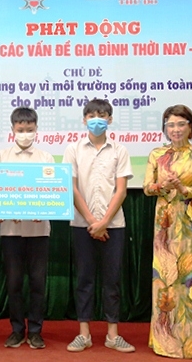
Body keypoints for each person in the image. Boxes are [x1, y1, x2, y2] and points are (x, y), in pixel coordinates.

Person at [142, 104, 192, 359]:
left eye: (180, 124)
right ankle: (166, 342)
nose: (175, 129)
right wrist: (162, 185)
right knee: (166, 279)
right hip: (165, 224)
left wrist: (185, 190)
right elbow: (147, 188)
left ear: (190, 127)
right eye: (171, 125)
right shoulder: (156, 154)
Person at [62, 98, 135, 353]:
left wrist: (104, 222)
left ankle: (113, 335)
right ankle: (84, 334)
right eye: (91, 115)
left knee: (112, 280)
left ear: (110, 119)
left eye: (102, 115)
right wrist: (93, 222)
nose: (97, 120)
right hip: (82, 224)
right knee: (84, 278)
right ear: (84, 119)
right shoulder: (73, 149)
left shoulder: (120, 150)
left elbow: (121, 190)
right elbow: (71, 188)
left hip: (114, 225)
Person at [0, 107, 54, 350]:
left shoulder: (46, 158)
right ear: (12, 130)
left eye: (29, 129)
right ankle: (16, 330)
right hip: (10, 231)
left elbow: (52, 193)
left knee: (38, 283)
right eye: (20, 129)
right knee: (13, 283)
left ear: (36, 129)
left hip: (39, 231)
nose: (25, 134)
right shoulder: (1, 157)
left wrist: (44, 209)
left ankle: (35, 331)